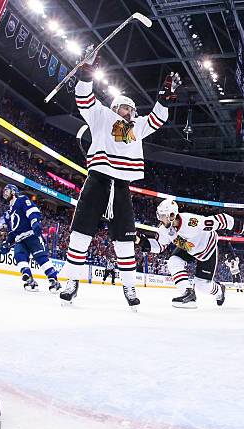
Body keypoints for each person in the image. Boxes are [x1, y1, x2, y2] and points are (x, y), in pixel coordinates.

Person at [58, 46, 181, 311]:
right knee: (80, 233)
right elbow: (83, 98)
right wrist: (87, 74)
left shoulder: (139, 125)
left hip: (122, 186)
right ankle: (72, 281)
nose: (125, 110)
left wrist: (164, 99)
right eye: (122, 106)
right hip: (98, 179)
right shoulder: (101, 115)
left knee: (125, 239)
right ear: (113, 106)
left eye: (129, 107)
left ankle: (129, 285)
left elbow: (158, 119)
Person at [135, 199, 244, 308]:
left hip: (206, 249)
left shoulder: (191, 222)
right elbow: (160, 246)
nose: (160, 219)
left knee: (202, 286)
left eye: (163, 216)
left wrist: (238, 226)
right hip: (189, 247)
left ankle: (219, 290)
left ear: (172, 216)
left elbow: (219, 220)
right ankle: (188, 293)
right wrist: (141, 241)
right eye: (159, 215)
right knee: (173, 262)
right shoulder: (164, 229)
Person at [0, 184, 61, 293]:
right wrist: (7, 243)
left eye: (7, 190)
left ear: (13, 192)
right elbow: (11, 231)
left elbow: (31, 211)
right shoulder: (7, 213)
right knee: (19, 256)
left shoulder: (22, 199)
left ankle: (54, 281)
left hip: (31, 235)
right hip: (19, 239)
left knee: (40, 257)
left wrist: (34, 222)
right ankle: (29, 279)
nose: (5, 192)